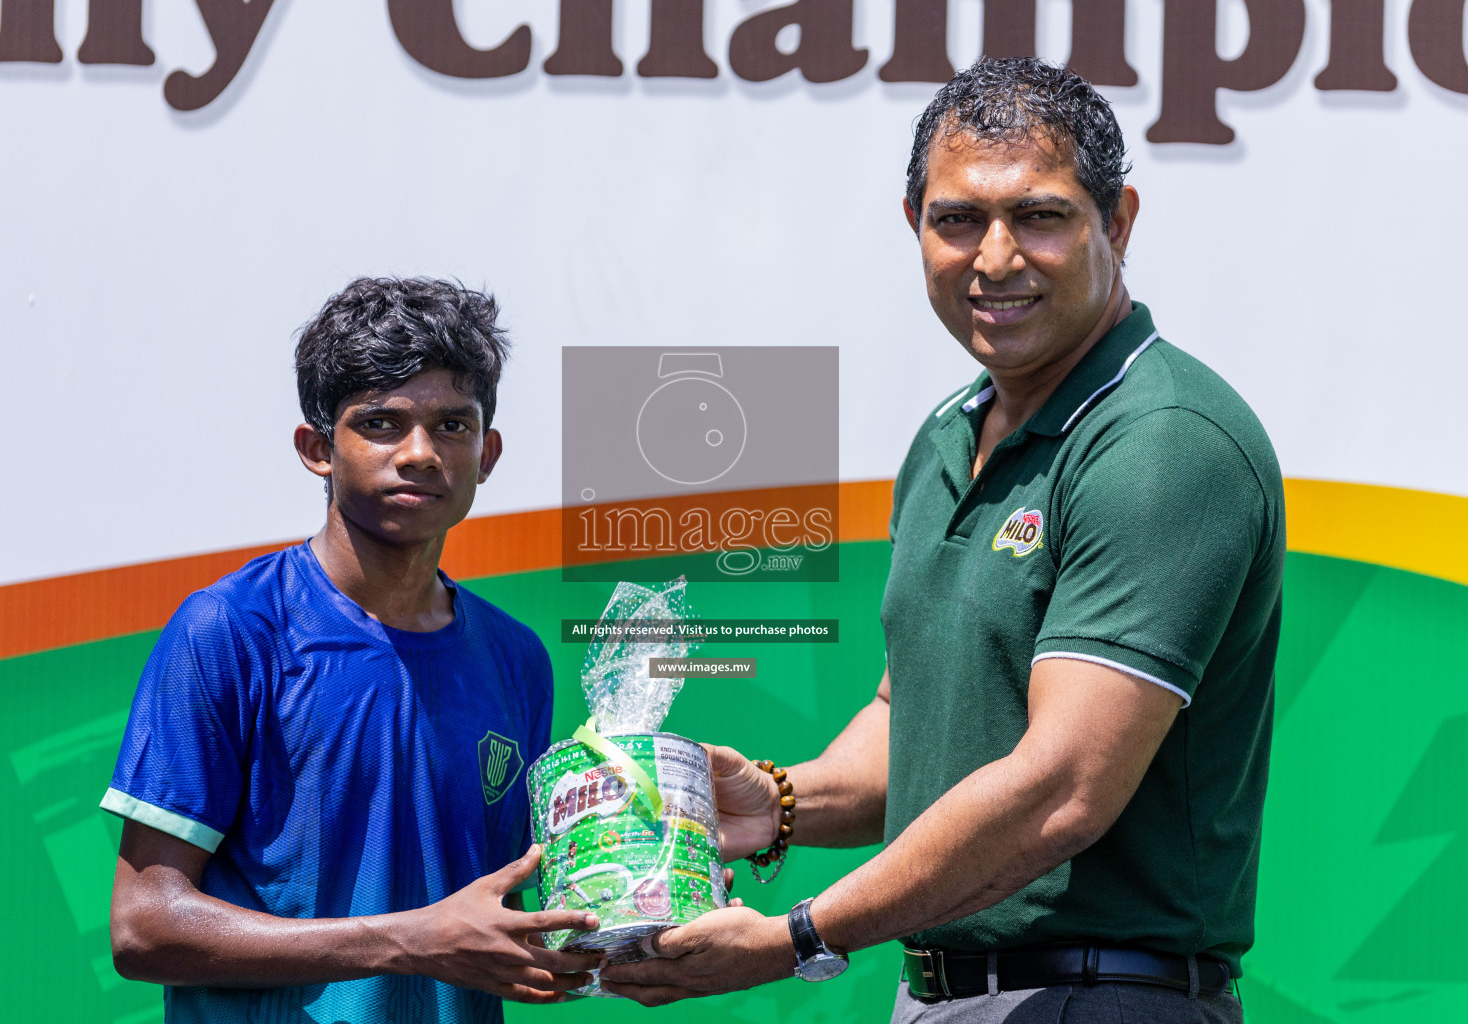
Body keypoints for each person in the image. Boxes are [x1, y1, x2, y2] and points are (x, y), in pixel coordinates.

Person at [601, 58, 1284, 1024]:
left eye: (1039, 217)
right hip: (940, 998)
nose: (994, 258)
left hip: (1104, 997)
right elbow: (912, 721)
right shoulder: (948, 434)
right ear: (914, 226)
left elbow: (1062, 788)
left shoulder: (1165, 441)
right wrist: (779, 802)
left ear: (1118, 222)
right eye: (957, 220)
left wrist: (802, 933)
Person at [102, 277, 602, 1023]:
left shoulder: (517, 659)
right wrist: (407, 941)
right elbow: (144, 926)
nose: (422, 453)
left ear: (488, 453)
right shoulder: (230, 630)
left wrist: (629, 896)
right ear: (317, 449)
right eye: (381, 423)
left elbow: (492, 912)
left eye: (453, 426)